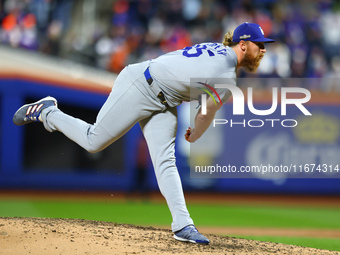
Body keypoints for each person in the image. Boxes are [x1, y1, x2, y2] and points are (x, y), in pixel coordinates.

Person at [13, 22, 274, 244]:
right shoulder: (227, 76)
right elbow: (205, 114)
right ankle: (48, 111)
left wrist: (196, 124)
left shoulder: (216, 49)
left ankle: (183, 225)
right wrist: (195, 134)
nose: (263, 49)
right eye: (259, 44)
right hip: (141, 86)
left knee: (165, 161)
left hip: (163, 100)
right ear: (243, 44)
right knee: (94, 140)